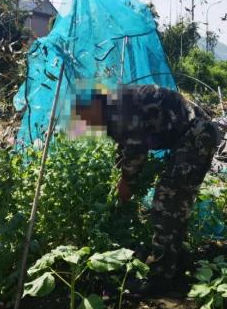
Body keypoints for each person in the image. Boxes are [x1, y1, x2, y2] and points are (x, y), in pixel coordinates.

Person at [73, 84, 219, 287]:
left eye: (88, 118)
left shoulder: (120, 108)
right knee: (176, 206)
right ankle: (176, 263)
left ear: (96, 107)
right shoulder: (116, 107)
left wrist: (125, 182)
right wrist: (119, 173)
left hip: (196, 136)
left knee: (166, 205)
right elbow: (124, 147)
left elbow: (136, 149)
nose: (89, 124)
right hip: (194, 135)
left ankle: (160, 277)